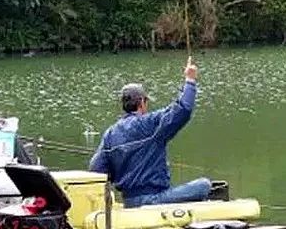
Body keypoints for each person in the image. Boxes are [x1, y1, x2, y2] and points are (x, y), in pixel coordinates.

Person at [89, 57, 212, 207]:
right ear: (142, 102)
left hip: (129, 202)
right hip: (155, 200)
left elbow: (96, 170)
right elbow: (182, 109)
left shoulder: (109, 134)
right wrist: (190, 80)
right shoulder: (150, 123)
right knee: (204, 185)